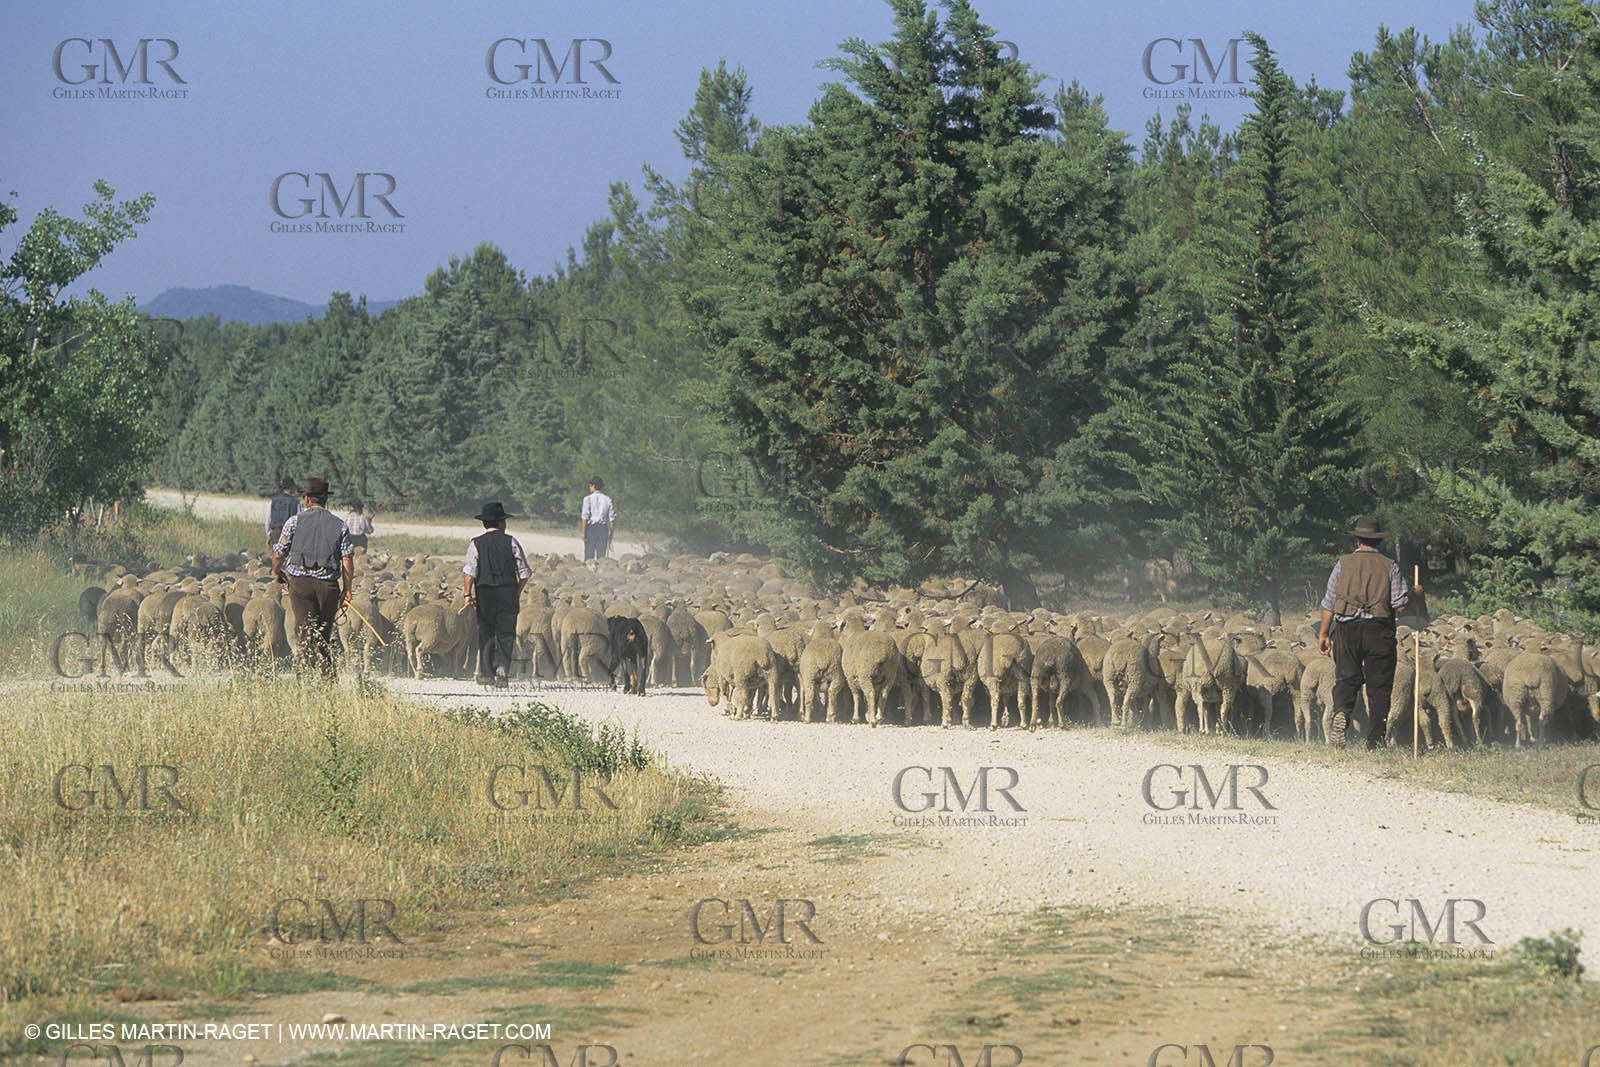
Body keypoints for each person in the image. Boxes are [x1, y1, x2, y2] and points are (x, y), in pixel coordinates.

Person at [1317, 515, 1418, 750]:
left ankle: (1341, 712)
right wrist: (1416, 594)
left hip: (1345, 630)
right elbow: (1400, 605)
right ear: (1378, 542)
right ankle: (1375, 740)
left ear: (1358, 540)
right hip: (1378, 630)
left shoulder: (1342, 564)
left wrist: (1323, 634)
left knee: (1346, 678)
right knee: (1379, 687)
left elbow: (1329, 603)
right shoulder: (1389, 565)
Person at [272, 476, 354, 680]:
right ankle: (328, 680)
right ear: (326, 500)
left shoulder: (294, 522)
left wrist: (277, 571)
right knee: (324, 634)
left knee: (303, 631)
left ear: (307, 499)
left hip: (300, 585)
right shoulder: (340, 525)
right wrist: (347, 588)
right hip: (328, 586)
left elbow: (278, 553)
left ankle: (304, 678)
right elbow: (347, 561)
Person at [462, 501, 531, 687]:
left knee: (486, 632)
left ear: (484, 523)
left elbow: (470, 571)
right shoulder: (512, 542)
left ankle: (486, 674)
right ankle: (503, 670)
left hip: (484, 594)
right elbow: (524, 573)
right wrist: (516, 592)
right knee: (506, 634)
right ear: (502, 523)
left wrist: (467, 594)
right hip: (508, 592)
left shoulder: (476, 543)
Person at [579, 477, 616, 565]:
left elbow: (585, 516)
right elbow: (612, 518)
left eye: (590, 486)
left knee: (589, 554)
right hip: (603, 528)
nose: (589, 488)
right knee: (601, 555)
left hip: (591, 528)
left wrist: (583, 532)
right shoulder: (608, 499)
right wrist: (611, 533)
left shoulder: (587, 499)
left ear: (593, 486)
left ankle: (588, 573)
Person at [265, 477, 300, 553]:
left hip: (276, 533)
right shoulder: (296, 502)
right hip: (290, 534)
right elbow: (299, 521)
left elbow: (268, 520)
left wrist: (268, 535)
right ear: (291, 487)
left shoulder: (274, 500)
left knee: (275, 558)